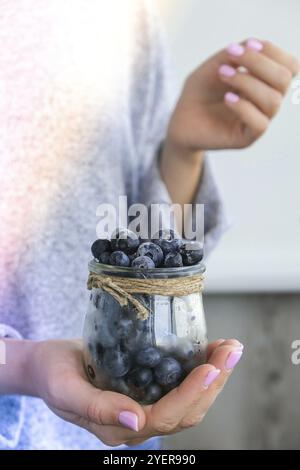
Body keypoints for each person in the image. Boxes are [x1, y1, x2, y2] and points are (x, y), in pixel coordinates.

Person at [0, 0, 298, 450]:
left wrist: (181, 149)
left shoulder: (125, 19)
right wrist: (24, 366)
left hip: (112, 434)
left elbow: (155, 255)